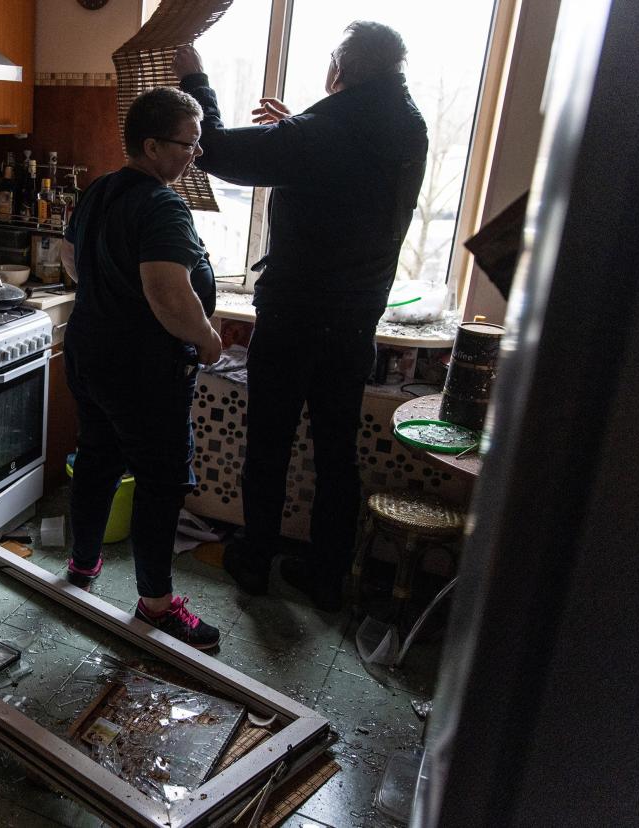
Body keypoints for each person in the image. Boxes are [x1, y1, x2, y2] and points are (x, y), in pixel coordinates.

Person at [173, 22, 428, 611]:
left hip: (296, 314)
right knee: (338, 451)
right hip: (357, 318)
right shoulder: (408, 126)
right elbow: (344, 167)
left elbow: (214, 149)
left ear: (342, 71)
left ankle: (255, 560)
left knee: (269, 442)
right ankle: (326, 574)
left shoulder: (323, 133)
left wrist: (195, 77)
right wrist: (296, 131)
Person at [59, 86, 223, 649]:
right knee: (161, 482)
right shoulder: (161, 204)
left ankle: (82, 566)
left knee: (99, 457)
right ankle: (156, 604)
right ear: (152, 145)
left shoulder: (100, 189)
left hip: (90, 355)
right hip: (142, 371)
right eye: (188, 145)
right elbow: (167, 292)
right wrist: (206, 339)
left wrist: (110, 292)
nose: (194, 156)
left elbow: (70, 260)